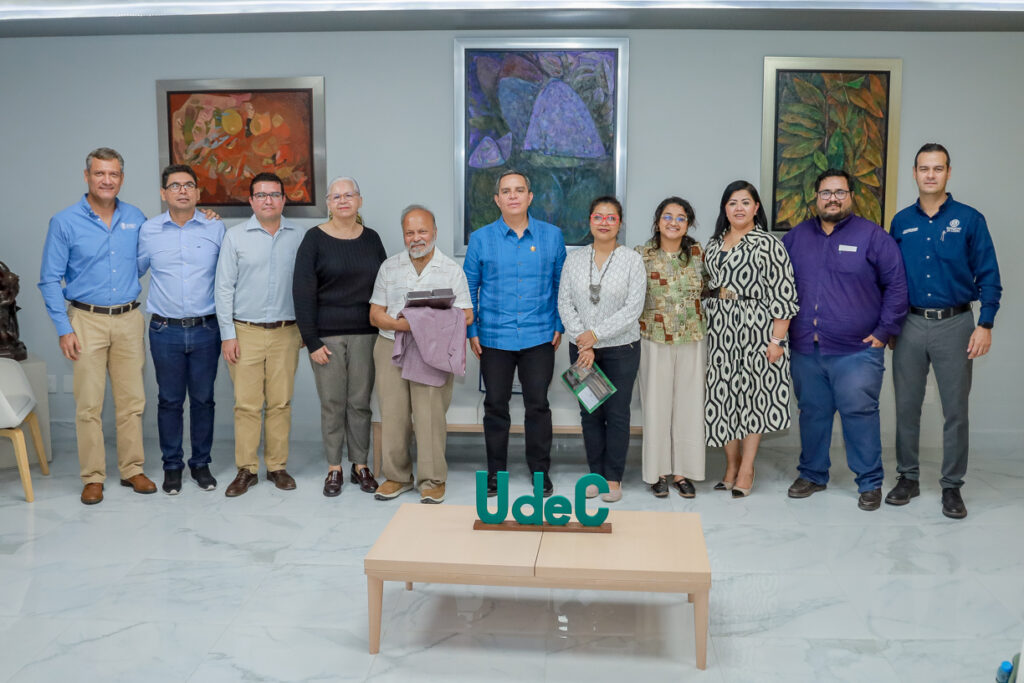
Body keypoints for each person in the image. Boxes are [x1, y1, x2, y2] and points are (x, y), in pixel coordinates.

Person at [887, 143, 1002, 519]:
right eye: (924, 168)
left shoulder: (970, 219)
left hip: (956, 324)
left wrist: (985, 324)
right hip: (910, 324)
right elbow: (891, 279)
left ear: (948, 173)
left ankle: (952, 486)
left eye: (938, 168)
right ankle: (908, 477)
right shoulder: (901, 222)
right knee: (907, 407)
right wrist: (890, 323)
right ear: (914, 173)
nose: (930, 175)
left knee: (956, 410)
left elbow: (989, 275)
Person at [782, 169, 908, 510]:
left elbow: (897, 286)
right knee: (812, 413)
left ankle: (869, 482)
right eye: (826, 193)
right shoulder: (795, 238)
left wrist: (883, 332)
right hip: (806, 348)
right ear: (816, 197)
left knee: (859, 414)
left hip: (857, 351)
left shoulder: (873, 236)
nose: (833, 199)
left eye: (840, 192)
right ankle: (812, 474)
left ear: (851, 196)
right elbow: (777, 287)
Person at [38, 147, 156, 505]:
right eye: (100, 173)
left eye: (114, 174)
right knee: (89, 405)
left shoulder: (135, 217)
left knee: (132, 402)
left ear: (122, 178)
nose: (107, 180)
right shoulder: (64, 222)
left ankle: (132, 469)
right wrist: (64, 328)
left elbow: (146, 259)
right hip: (85, 320)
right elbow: (49, 279)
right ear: (87, 176)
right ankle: (92, 477)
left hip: (129, 320)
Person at [463, 169, 567, 498]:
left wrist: (559, 324)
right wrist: (472, 330)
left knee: (538, 406)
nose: (512, 196)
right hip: (494, 337)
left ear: (530, 197)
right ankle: (496, 473)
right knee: (496, 406)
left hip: (539, 336)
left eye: (519, 190)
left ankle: (540, 472)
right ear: (497, 199)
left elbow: (562, 287)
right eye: (506, 191)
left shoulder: (552, 236)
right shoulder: (481, 239)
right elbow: (468, 289)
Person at [370, 205, 473, 504]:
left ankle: (432, 480)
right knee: (393, 414)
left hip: (432, 350)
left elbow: (466, 314)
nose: (416, 238)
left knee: (429, 416)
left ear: (435, 232)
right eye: (410, 232)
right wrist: (401, 325)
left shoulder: (451, 269)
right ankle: (396, 477)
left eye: (422, 231)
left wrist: (420, 324)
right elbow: (375, 313)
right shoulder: (389, 267)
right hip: (390, 345)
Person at [704, 180, 799, 497]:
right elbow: (704, 286)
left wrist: (777, 340)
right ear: (725, 208)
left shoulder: (770, 244)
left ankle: (747, 468)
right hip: (719, 332)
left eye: (745, 202)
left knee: (753, 399)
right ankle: (731, 465)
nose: (739, 208)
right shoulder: (714, 243)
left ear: (756, 207)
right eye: (732, 202)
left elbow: (784, 294)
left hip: (756, 329)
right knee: (723, 399)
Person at [293, 176, 386, 497]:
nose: (343, 200)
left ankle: (360, 464)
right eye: (336, 196)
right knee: (333, 404)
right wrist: (311, 340)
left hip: (367, 335)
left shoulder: (372, 239)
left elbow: (384, 286)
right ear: (328, 204)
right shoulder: (314, 239)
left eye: (349, 195)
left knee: (360, 403)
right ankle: (334, 467)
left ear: (359, 201)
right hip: (326, 339)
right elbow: (302, 292)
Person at [215, 172, 306, 497]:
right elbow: (223, 288)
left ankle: (277, 467)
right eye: (261, 195)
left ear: (284, 199)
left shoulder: (300, 237)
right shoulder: (235, 237)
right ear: (251, 201)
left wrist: (306, 329)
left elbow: (309, 286)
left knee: (281, 403)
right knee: (247, 405)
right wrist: (228, 334)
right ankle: (247, 469)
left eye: (274, 194)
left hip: (287, 332)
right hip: (245, 332)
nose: (268, 200)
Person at [137, 164, 226, 495]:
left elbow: (228, 277)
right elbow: (133, 270)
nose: (182, 191)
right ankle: (172, 466)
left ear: (198, 192)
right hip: (165, 330)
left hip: (206, 329)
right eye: (175, 186)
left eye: (189, 185)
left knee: (203, 400)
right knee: (170, 401)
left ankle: (200, 464)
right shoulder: (148, 230)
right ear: (164, 193)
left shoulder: (216, 228)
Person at [557, 196, 644, 502]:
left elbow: (633, 309)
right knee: (590, 413)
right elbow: (564, 303)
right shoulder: (574, 260)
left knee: (618, 414)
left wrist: (594, 335)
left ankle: (613, 478)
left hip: (622, 349)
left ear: (620, 223)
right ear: (589, 221)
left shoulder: (632, 260)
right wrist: (584, 341)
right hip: (582, 351)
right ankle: (595, 475)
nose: (604, 223)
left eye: (611, 218)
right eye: (598, 217)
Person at [635, 197, 708, 499]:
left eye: (681, 218)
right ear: (657, 222)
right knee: (656, 407)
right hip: (653, 338)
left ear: (688, 225)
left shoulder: (698, 254)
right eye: (667, 216)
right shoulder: (641, 255)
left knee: (689, 407)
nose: (673, 222)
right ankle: (658, 473)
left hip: (692, 339)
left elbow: (710, 291)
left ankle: (683, 473)